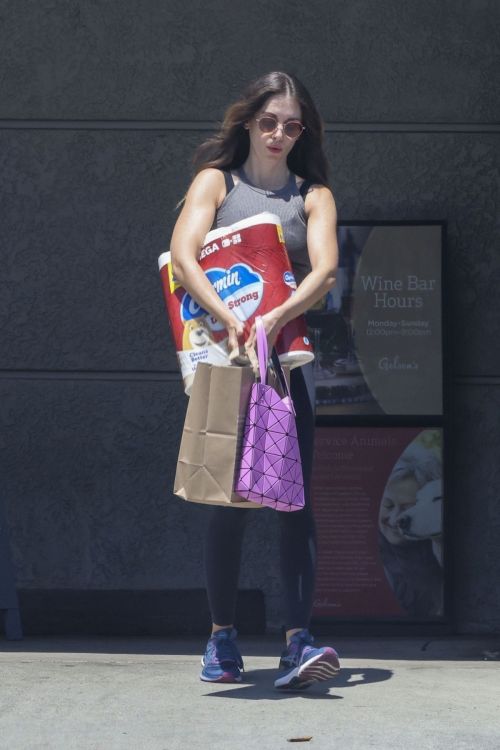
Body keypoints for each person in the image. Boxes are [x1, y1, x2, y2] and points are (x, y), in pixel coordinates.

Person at [170, 71, 340, 690]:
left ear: (303, 132)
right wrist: (230, 317)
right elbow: (184, 254)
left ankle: (299, 641)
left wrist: (275, 317)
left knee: (294, 501)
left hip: (287, 365)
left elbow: (324, 271)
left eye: (291, 125)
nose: (278, 134)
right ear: (247, 121)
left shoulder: (311, 195)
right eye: (268, 121)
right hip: (225, 361)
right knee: (229, 500)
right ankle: (222, 638)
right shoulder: (217, 182)